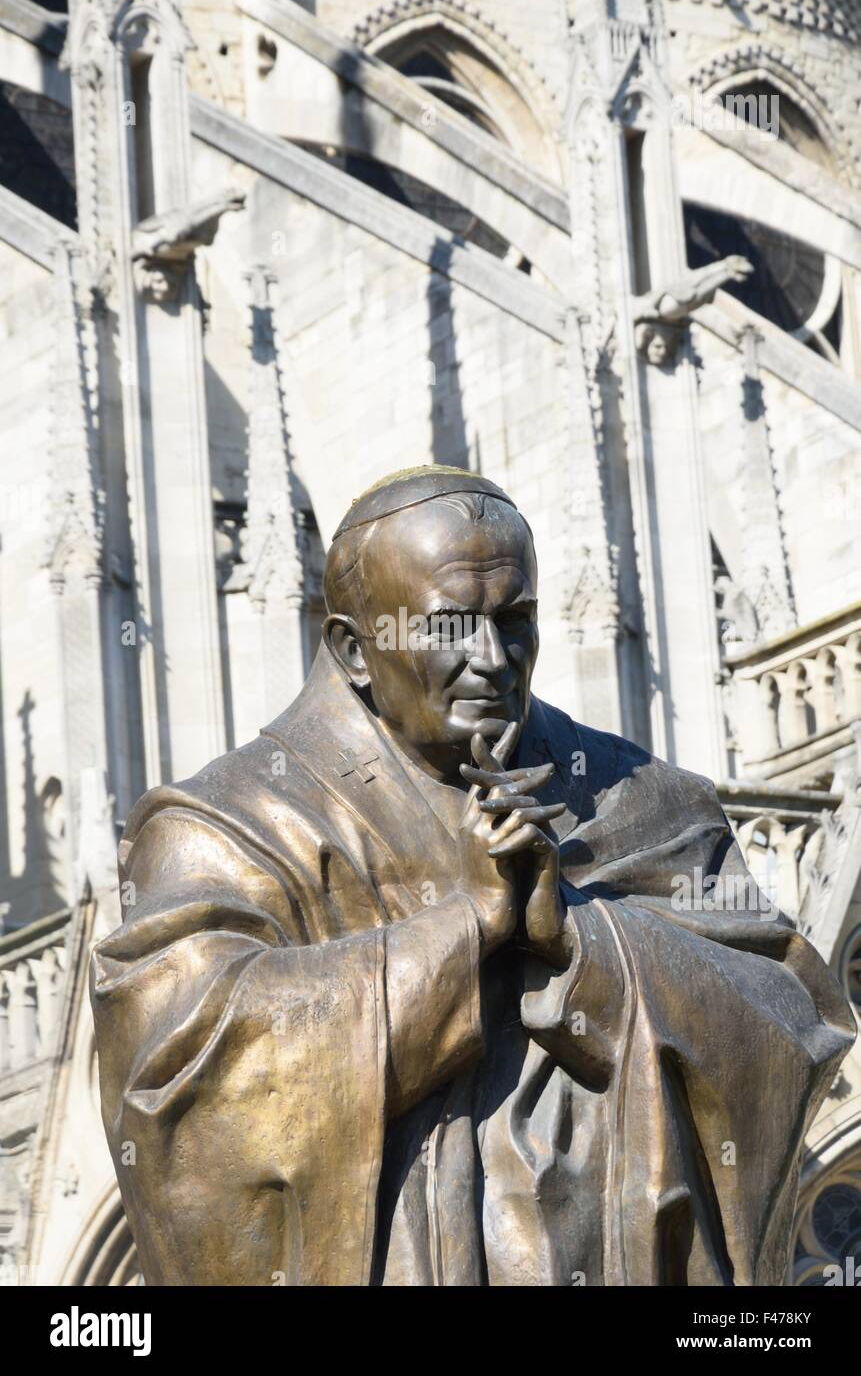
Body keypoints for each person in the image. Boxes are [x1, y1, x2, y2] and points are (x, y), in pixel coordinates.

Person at [92, 465, 854, 1286]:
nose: (492, 659)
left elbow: (792, 1011)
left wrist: (573, 936)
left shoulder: (637, 795)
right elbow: (178, 1088)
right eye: (451, 625)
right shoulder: (230, 826)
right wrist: (468, 926)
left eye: (515, 620)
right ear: (353, 648)